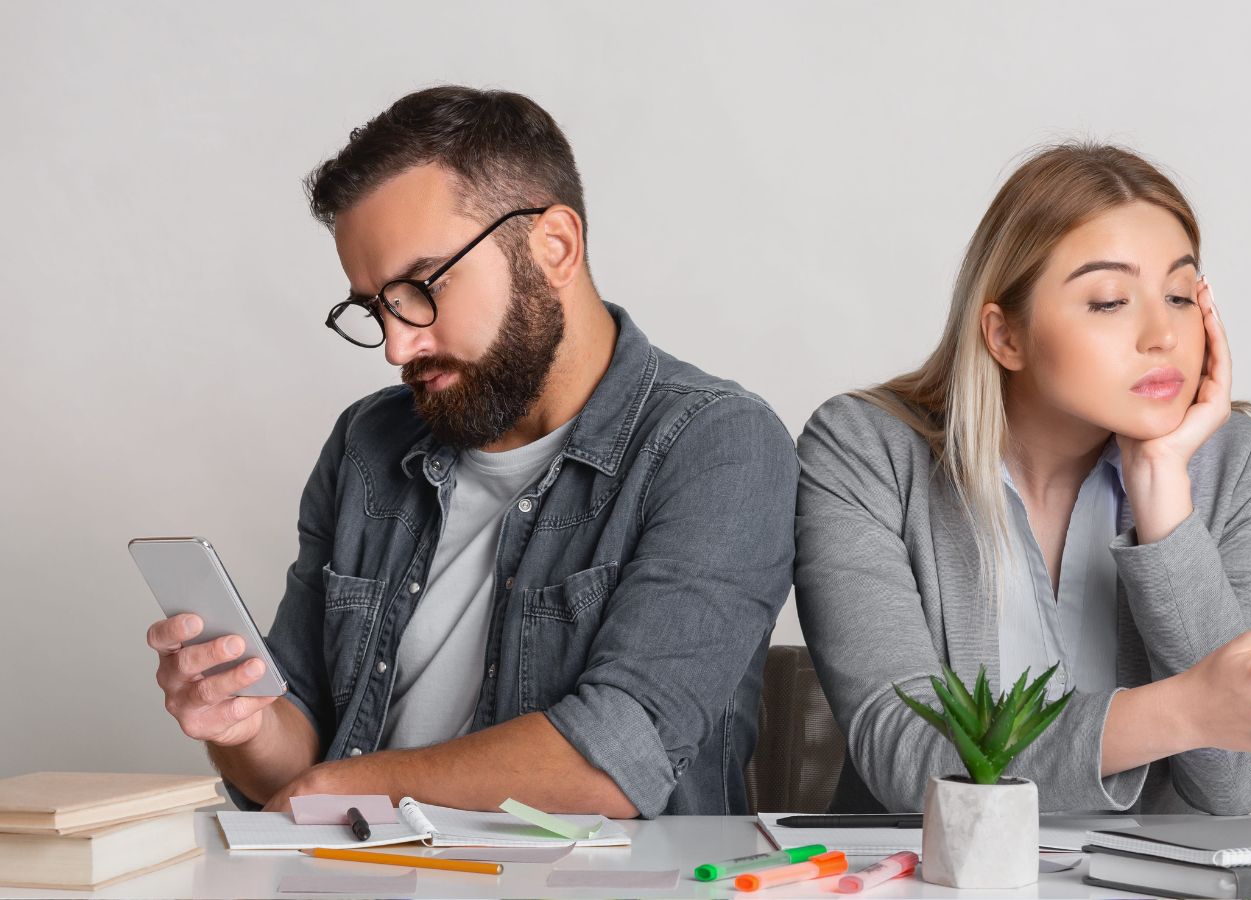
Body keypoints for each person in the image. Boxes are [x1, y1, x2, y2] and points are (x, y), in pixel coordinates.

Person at [143, 86, 797, 818]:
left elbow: (616, 761)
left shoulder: (717, 445)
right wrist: (243, 724)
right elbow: (291, 760)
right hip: (348, 871)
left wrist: (334, 787)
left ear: (555, 247)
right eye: (373, 307)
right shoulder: (367, 445)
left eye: (421, 289)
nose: (397, 344)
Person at [795, 143, 1251, 814]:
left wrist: (1164, 498)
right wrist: (1187, 710)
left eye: (1181, 295)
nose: (1162, 334)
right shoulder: (865, 450)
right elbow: (907, 760)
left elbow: (1240, 784)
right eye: (1108, 301)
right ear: (1005, 336)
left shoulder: (1241, 459)